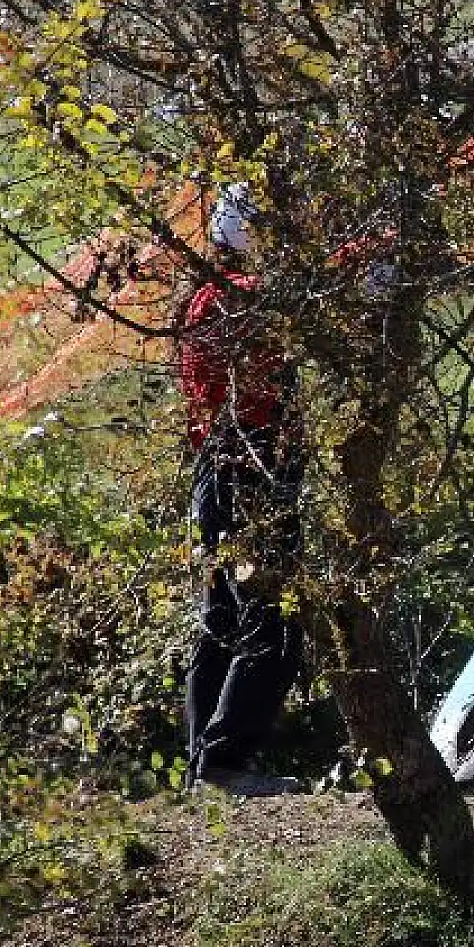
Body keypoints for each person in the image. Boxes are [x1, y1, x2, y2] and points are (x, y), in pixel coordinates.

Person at [180, 185, 305, 797]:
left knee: (222, 619)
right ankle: (226, 760)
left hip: (216, 469)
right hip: (251, 469)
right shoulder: (244, 298)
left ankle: (205, 763)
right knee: (274, 616)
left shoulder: (204, 300)